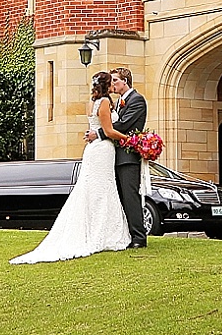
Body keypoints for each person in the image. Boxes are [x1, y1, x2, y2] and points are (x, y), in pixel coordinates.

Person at [10, 71, 132, 264]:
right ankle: (103, 235)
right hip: (102, 149)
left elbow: (97, 126)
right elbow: (108, 131)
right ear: (106, 85)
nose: (113, 85)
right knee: (102, 190)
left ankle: (96, 231)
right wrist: (131, 139)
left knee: (93, 189)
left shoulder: (91, 102)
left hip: (93, 150)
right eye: (111, 82)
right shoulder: (106, 102)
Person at [92, 66, 150, 248]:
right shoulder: (117, 103)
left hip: (128, 157)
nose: (113, 84)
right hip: (113, 155)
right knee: (117, 197)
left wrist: (99, 133)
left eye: (115, 80)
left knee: (130, 196)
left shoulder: (137, 100)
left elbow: (123, 125)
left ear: (125, 81)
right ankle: (124, 235)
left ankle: (139, 237)